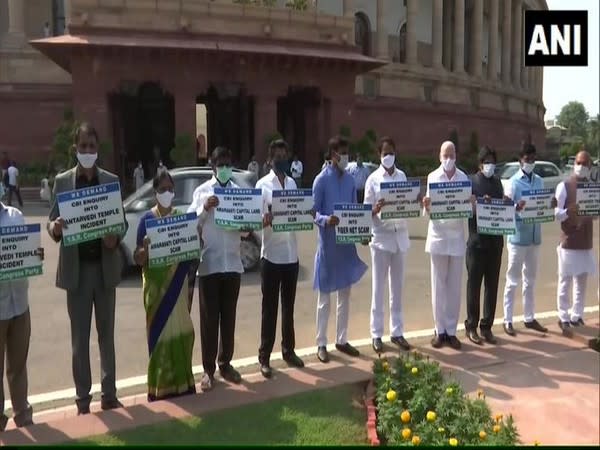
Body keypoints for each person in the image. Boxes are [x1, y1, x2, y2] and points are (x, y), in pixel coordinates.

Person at [47, 122, 128, 415]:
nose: (88, 151)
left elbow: (121, 221)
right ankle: (83, 399)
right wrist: (54, 227)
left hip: (104, 268)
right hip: (76, 272)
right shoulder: (63, 182)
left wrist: (115, 236)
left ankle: (109, 394)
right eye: (83, 147)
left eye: (92, 147)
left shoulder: (110, 181)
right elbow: (52, 221)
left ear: (98, 149)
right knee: (79, 340)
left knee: (106, 335)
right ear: (75, 149)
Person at [133, 171, 196, 401]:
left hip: (178, 289)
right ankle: (160, 388)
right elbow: (137, 258)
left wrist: (196, 239)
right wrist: (145, 251)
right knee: (160, 338)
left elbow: (191, 257)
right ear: (155, 192)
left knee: (183, 332)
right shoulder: (146, 221)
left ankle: (183, 384)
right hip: (156, 291)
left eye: (170, 189)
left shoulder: (181, 218)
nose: (167, 193)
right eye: (162, 189)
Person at [187, 146, 244, 391]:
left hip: (232, 263)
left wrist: (250, 225)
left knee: (228, 317)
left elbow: (245, 227)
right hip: (209, 264)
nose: (224, 167)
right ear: (212, 166)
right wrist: (204, 209)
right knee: (209, 321)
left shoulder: (239, 193)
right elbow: (190, 224)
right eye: (220, 163)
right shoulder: (202, 192)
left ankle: (226, 363)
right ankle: (207, 370)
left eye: (227, 163)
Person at [312, 136, 368, 363]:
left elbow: (355, 212)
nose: (344, 157)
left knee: (345, 296)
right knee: (324, 299)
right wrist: (326, 220)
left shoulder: (350, 181)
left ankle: (341, 339)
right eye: (341, 153)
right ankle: (321, 343)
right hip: (328, 245)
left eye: (346, 152)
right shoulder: (320, 180)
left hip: (346, 245)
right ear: (332, 154)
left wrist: (362, 233)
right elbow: (312, 212)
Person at [256, 140, 305, 378]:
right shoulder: (262, 185)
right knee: (269, 309)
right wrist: (264, 220)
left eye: (284, 155)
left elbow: (299, 210)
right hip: (271, 256)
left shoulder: (293, 183)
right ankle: (264, 357)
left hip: (291, 255)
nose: (281, 159)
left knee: (288, 307)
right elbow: (256, 220)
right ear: (270, 159)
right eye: (277, 156)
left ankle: (289, 350)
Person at [422, 141, 473, 350]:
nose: (448, 159)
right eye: (445, 155)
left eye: (451, 155)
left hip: (457, 238)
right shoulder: (433, 178)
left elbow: (467, 211)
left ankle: (451, 331)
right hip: (438, 237)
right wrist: (426, 205)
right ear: (439, 156)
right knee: (438, 287)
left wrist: (471, 202)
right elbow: (430, 211)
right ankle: (439, 330)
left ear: (456, 156)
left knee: (454, 287)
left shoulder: (463, 179)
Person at [502, 143, 555, 336]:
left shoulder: (540, 181)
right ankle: (507, 320)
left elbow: (543, 204)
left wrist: (550, 205)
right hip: (517, 238)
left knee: (530, 280)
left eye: (533, 159)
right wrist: (515, 206)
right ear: (520, 160)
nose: (530, 162)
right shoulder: (513, 182)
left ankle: (529, 317)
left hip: (534, 237)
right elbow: (507, 207)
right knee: (512, 280)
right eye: (527, 159)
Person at [364, 137, 411, 353]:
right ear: (379, 155)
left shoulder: (402, 176)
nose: (388, 156)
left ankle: (397, 332)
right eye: (385, 153)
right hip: (381, 239)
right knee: (378, 288)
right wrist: (375, 208)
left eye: (391, 152)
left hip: (400, 237)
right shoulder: (372, 179)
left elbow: (408, 202)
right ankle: (376, 334)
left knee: (398, 289)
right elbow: (366, 211)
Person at [0, 202, 43, 431]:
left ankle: (22, 414)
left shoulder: (15, 215)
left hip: (20, 303)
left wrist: (35, 255)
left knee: (18, 365)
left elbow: (28, 249)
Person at [464, 146, 506, 345]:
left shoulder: (498, 182)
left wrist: (507, 203)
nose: (490, 165)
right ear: (480, 164)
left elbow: (503, 210)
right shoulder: (471, 182)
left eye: (492, 161)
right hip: (477, 242)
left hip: (495, 242)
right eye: (486, 161)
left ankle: (486, 326)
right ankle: (471, 326)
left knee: (492, 286)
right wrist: (477, 203)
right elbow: (465, 209)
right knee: (474, 286)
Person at [554, 150, 598, 330]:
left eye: (585, 163)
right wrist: (567, 212)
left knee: (582, 280)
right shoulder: (564, 186)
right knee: (565, 280)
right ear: (574, 164)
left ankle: (576, 315)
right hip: (569, 242)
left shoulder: (592, 187)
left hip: (585, 241)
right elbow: (556, 214)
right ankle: (563, 315)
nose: (581, 166)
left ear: (590, 167)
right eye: (578, 162)